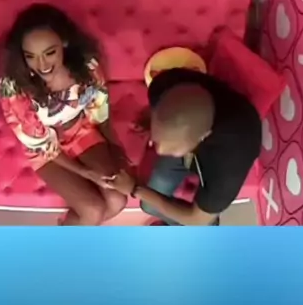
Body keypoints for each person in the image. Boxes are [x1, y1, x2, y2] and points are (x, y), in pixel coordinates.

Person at [0, 4, 126, 225]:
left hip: (81, 130)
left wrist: (116, 151)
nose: (42, 65)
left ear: (64, 43)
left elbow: (99, 110)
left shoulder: (86, 66)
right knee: (93, 210)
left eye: (50, 53)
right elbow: (42, 146)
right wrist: (86, 173)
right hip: (44, 149)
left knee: (117, 200)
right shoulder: (13, 86)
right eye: (31, 56)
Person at [104, 67, 262, 225]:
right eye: (156, 141)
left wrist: (134, 189)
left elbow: (196, 220)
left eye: (173, 149)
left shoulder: (229, 164)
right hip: (195, 140)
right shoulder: (165, 85)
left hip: (216, 163)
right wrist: (152, 123)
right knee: (149, 203)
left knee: (152, 207)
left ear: (203, 136)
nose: (159, 151)